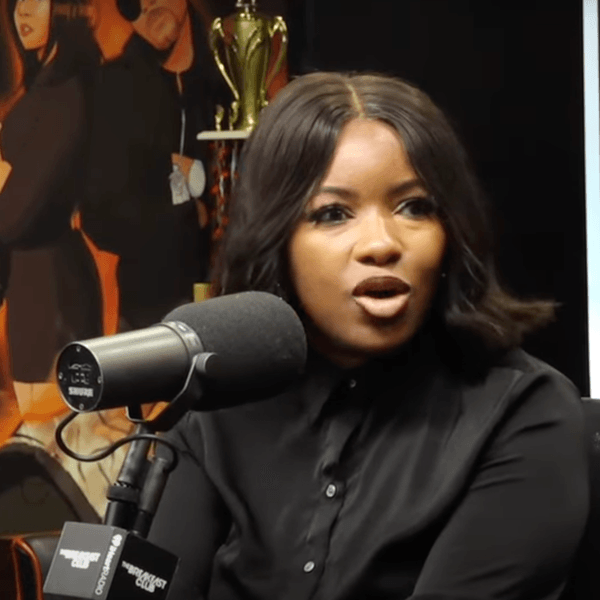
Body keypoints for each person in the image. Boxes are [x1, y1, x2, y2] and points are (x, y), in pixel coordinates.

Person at [147, 72, 589, 600]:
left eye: (414, 207)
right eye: (333, 214)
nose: (381, 244)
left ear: (451, 232)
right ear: (276, 240)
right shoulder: (215, 411)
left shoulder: (525, 415)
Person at [82, 0, 229, 330]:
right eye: (130, 4)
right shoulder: (116, 86)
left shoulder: (227, 78)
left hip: (231, 300)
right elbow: (99, 214)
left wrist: (198, 184)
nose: (145, 5)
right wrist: (187, 216)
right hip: (149, 308)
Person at [0, 0, 103, 417]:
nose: (22, 13)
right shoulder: (45, 85)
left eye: (35, 1)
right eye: (17, 4)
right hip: (37, 282)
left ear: (64, 8)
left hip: (51, 290)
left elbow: (13, 217)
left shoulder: (65, 94)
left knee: (55, 438)